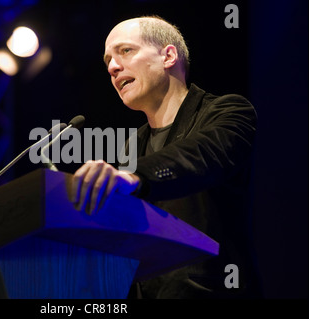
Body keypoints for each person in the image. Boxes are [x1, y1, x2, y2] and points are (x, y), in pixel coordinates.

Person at [70, 15, 262, 298]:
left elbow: (201, 156)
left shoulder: (229, 112)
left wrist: (135, 176)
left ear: (168, 56)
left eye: (125, 51)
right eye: (107, 60)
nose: (112, 67)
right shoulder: (132, 146)